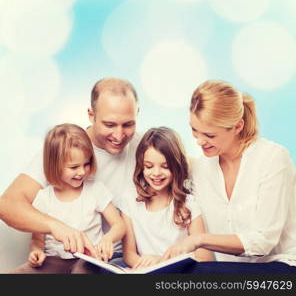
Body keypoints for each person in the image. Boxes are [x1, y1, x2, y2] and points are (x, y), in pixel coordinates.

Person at [162, 80, 296, 273]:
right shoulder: (200, 169)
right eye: (194, 130)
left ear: (237, 126)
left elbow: (262, 242)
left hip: (281, 267)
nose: (199, 141)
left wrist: (199, 239)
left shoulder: (273, 159)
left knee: (200, 274)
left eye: (209, 135)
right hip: (228, 270)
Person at [0, 78, 140, 260]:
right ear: (91, 115)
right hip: (62, 258)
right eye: (109, 124)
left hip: (111, 258)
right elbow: (7, 205)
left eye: (128, 124)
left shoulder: (145, 148)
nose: (119, 135)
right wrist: (55, 226)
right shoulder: (65, 148)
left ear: (137, 113)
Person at [9, 124, 126, 274]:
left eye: (87, 163)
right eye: (74, 167)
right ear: (55, 166)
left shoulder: (96, 190)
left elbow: (119, 224)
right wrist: (36, 251)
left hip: (88, 260)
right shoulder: (44, 197)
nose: (82, 171)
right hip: (53, 260)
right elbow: (37, 239)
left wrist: (108, 239)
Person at [121, 127, 212, 270]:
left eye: (165, 166)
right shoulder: (130, 200)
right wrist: (143, 267)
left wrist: (160, 263)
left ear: (176, 166)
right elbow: (129, 254)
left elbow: (204, 257)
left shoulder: (189, 204)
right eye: (149, 166)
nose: (156, 173)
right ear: (141, 166)